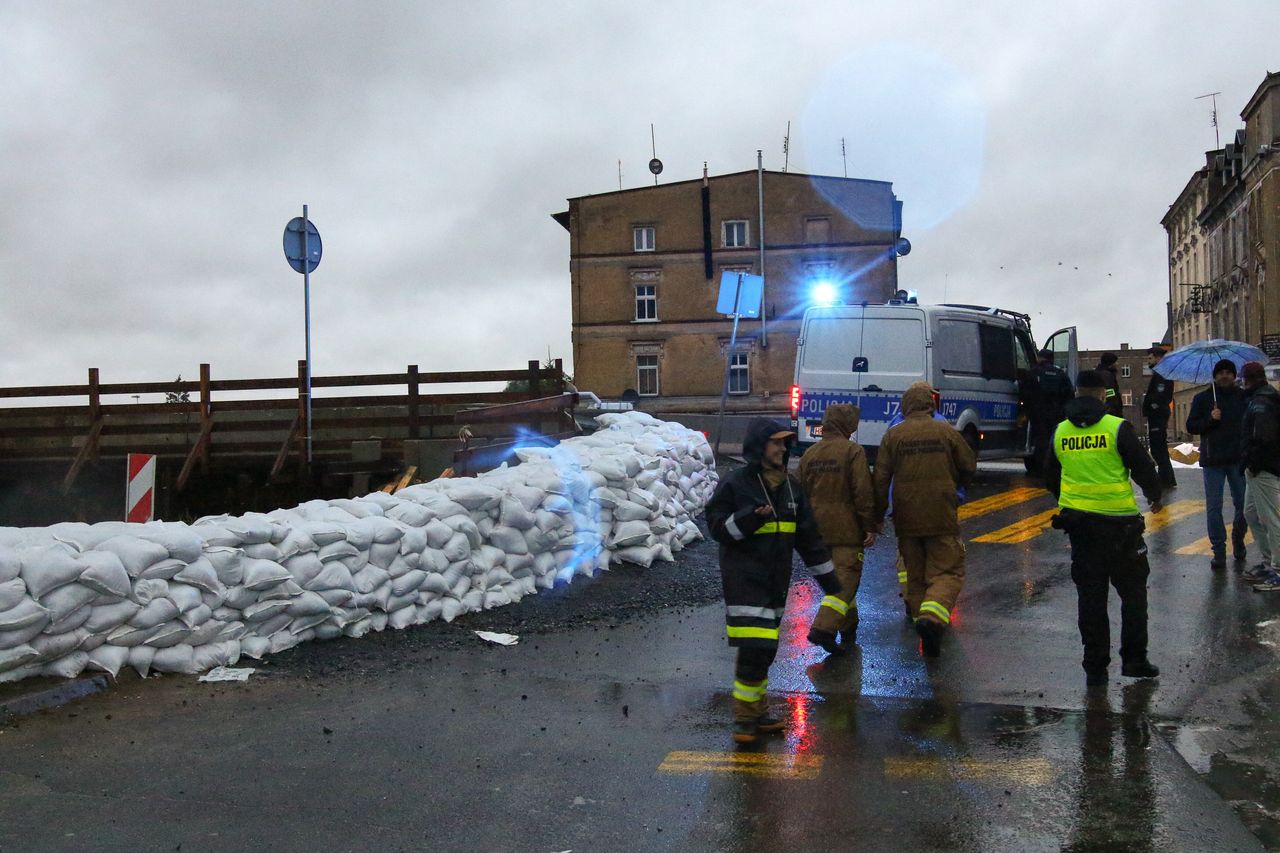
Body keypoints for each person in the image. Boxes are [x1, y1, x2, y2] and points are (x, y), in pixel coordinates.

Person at [705, 418, 838, 743]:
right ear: (759, 446)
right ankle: (744, 721)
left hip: (776, 583)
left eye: (784, 442)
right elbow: (717, 528)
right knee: (755, 648)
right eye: (775, 442)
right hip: (744, 581)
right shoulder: (737, 483)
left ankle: (757, 713)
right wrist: (749, 518)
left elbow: (809, 539)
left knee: (765, 650)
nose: (782, 448)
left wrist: (830, 581)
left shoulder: (791, 488)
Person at [1044, 370, 1163, 687]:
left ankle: (1095, 666)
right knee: (1133, 595)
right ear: (1102, 395)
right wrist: (1154, 496)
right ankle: (1135, 660)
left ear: (1077, 394)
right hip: (1121, 527)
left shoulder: (1060, 432)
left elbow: (1049, 474)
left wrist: (1068, 500)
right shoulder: (1116, 428)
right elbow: (1143, 467)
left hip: (1081, 528)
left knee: (1091, 599)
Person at [873, 381, 976, 658]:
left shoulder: (893, 435)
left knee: (915, 574)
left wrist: (877, 517)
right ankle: (931, 620)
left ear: (905, 405)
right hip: (941, 511)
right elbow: (968, 464)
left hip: (905, 516)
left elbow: (881, 479)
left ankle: (923, 621)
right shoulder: (945, 430)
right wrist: (957, 491)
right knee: (948, 571)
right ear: (930, 403)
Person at [797, 403, 878, 654]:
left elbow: (799, 493)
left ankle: (849, 627)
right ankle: (823, 629)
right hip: (846, 531)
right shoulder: (853, 452)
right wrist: (869, 525)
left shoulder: (810, 454)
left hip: (817, 532)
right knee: (845, 580)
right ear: (847, 425)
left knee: (840, 578)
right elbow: (862, 492)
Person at [1185, 359, 1248, 569]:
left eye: (1228, 372)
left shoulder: (1243, 397)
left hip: (1237, 460)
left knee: (1243, 506)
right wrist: (1211, 419)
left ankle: (1238, 539)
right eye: (1220, 372)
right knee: (1214, 508)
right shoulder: (1203, 398)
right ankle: (1218, 550)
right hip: (1213, 461)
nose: (1224, 376)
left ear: (1234, 375)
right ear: (1215, 376)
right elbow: (1192, 426)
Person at [1238, 362, 1280, 591]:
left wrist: (1252, 461)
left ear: (1248, 379)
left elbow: (1262, 437)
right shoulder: (1259, 398)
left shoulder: (1261, 402)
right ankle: (1268, 561)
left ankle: (1278, 569)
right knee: (1251, 513)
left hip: (1263, 468)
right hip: (1258, 467)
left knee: (1271, 518)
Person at [1020, 348, 1075, 474]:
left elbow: (1024, 392)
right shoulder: (1060, 373)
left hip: (1038, 414)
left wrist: (1027, 410)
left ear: (1040, 358)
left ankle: (1040, 469)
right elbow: (1069, 395)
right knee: (1055, 441)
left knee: (1040, 441)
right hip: (1057, 414)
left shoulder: (1033, 372)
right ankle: (1054, 468)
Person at [1142, 346, 1178, 490]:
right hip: (1156, 415)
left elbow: (1160, 396)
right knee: (1158, 449)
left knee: (1159, 449)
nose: (1148, 361)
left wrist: (1152, 407)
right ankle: (1166, 478)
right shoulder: (1159, 374)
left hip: (1157, 416)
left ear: (1158, 358)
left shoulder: (1162, 375)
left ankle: (1166, 479)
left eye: (1150, 358)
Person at [1096, 353, 1124, 417]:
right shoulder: (1107, 376)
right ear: (1110, 363)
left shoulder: (1099, 373)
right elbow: (1110, 396)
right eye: (1115, 362)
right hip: (1109, 413)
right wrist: (1115, 412)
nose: (1117, 364)